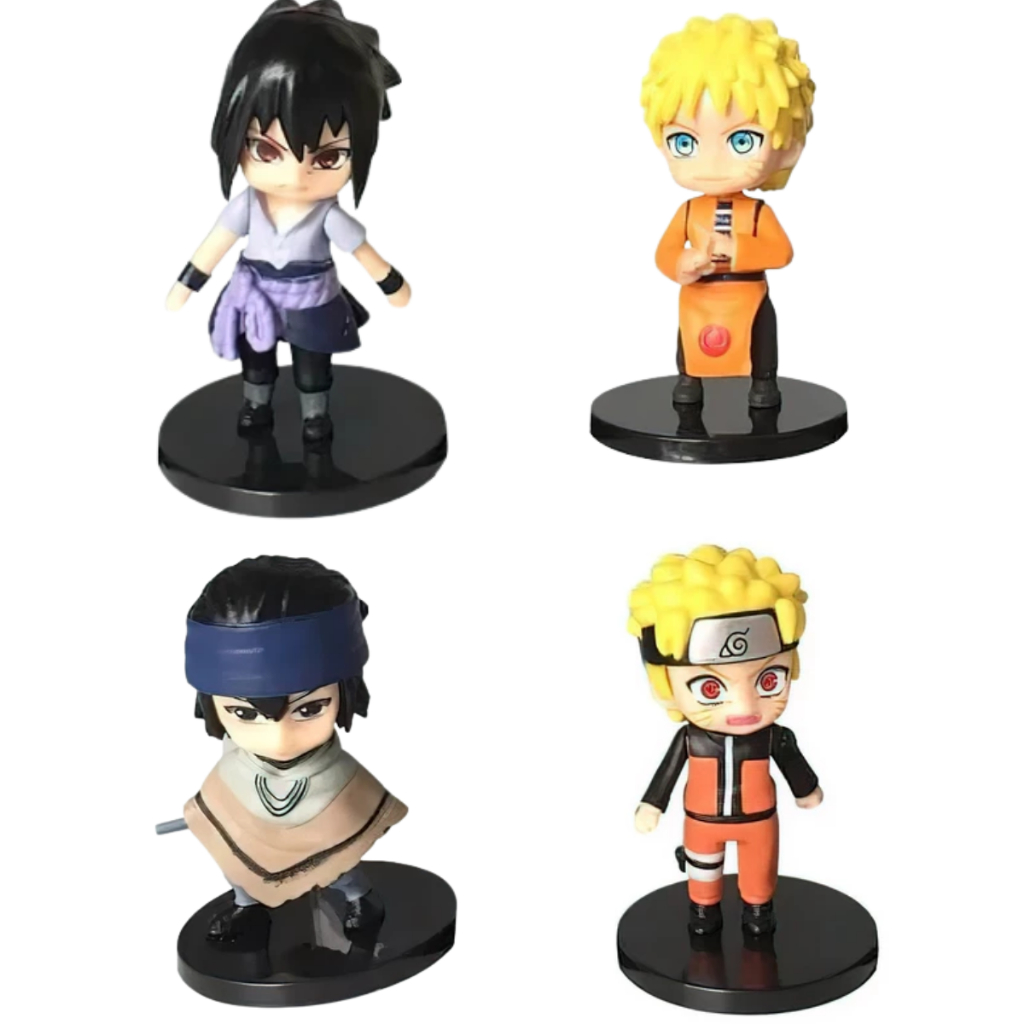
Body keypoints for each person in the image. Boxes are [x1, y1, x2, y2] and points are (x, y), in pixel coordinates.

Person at [166, 1, 410, 443]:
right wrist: (188, 283)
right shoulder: (248, 205)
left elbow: (362, 252)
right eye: (266, 150)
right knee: (255, 360)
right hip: (253, 292)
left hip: (312, 297)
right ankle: (255, 406)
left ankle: (315, 416)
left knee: (312, 363)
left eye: (329, 157)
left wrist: (390, 283)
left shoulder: (327, 214)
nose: (296, 176)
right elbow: (214, 244)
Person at [182, 555, 406, 941]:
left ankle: (358, 897)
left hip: (321, 809)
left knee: (336, 860)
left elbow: (360, 810)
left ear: (346, 694)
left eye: (309, 709)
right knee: (232, 856)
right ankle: (247, 904)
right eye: (243, 713)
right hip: (245, 801)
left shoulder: (338, 776)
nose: (279, 738)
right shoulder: (233, 764)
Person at [628, 545, 823, 936]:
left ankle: (758, 913)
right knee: (703, 873)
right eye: (710, 687)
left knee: (759, 873)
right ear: (665, 684)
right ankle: (703, 913)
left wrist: (806, 789)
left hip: (759, 819)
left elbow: (792, 763)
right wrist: (653, 803)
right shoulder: (690, 739)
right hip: (702, 820)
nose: (745, 705)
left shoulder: (775, 737)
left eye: (769, 680)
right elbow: (667, 772)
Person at [640, 16, 815, 408]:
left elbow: (781, 252)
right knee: (689, 339)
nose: (712, 163)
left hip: (747, 292)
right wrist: (682, 262)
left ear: (787, 147)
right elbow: (665, 252)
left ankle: (763, 383)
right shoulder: (689, 211)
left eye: (741, 140)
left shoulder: (757, 212)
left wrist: (738, 249)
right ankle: (689, 382)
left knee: (760, 339)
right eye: (685, 142)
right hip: (699, 296)